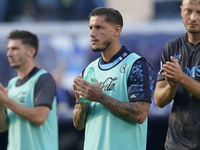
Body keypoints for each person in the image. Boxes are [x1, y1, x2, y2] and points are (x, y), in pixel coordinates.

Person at [72, 7, 154, 150]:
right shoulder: (89, 70)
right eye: (90, 28)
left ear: (117, 30)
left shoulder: (136, 65)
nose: (92, 34)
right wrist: (82, 106)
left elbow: (140, 114)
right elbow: (78, 124)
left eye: (99, 27)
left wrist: (101, 97)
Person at [0, 30, 58, 150]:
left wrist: (7, 102)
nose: (9, 54)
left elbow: (39, 118)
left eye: (15, 49)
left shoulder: (43, 79)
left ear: (31, 52)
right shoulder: (12, 84)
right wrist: (1, 107)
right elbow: (2, 127)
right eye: (8, 49)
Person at [154, 0, 200, 149]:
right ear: (181, 11)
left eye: (199, 12)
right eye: (188, 11)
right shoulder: (171, 47)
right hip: (176, 144)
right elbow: (159, 101)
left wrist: (181, 78)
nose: (193, 18)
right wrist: (171, 87)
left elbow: (181, 78)